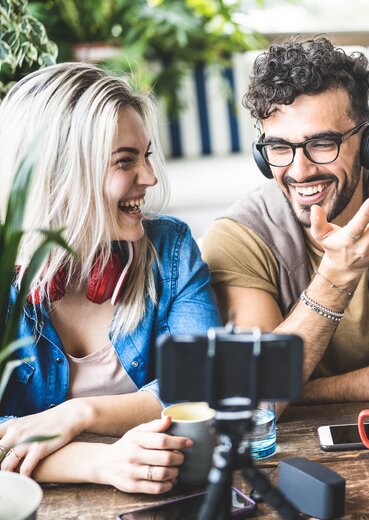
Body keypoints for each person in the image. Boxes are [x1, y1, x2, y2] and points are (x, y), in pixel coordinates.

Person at [201, 37, 369, 402]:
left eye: (321, 144)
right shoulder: (237, 237)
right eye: (280, 148)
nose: (299, 171)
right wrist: (337, 274)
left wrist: (306, 392)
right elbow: (259, 394)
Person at [0, 63, 221, 492]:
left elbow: (205, 382)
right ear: (61, 175)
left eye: (147, 155)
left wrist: (80, 414)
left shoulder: (171, 249)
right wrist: (99, 463)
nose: (150, 178)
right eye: (126, 162)